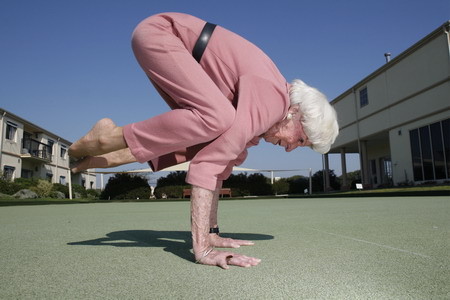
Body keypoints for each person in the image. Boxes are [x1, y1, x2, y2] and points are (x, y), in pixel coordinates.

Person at [69, 12, 339, 269]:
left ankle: (109, 155)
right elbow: (208, 166)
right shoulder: (273, 100)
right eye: (300, 140)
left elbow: (221, 164)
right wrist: (203, 250)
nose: (291, 148)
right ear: (296, 113)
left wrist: (213, 234)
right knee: (218, 119)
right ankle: (108, 137)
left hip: (168, 43)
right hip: (161, 33)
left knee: (221, 143)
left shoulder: (263, 113)